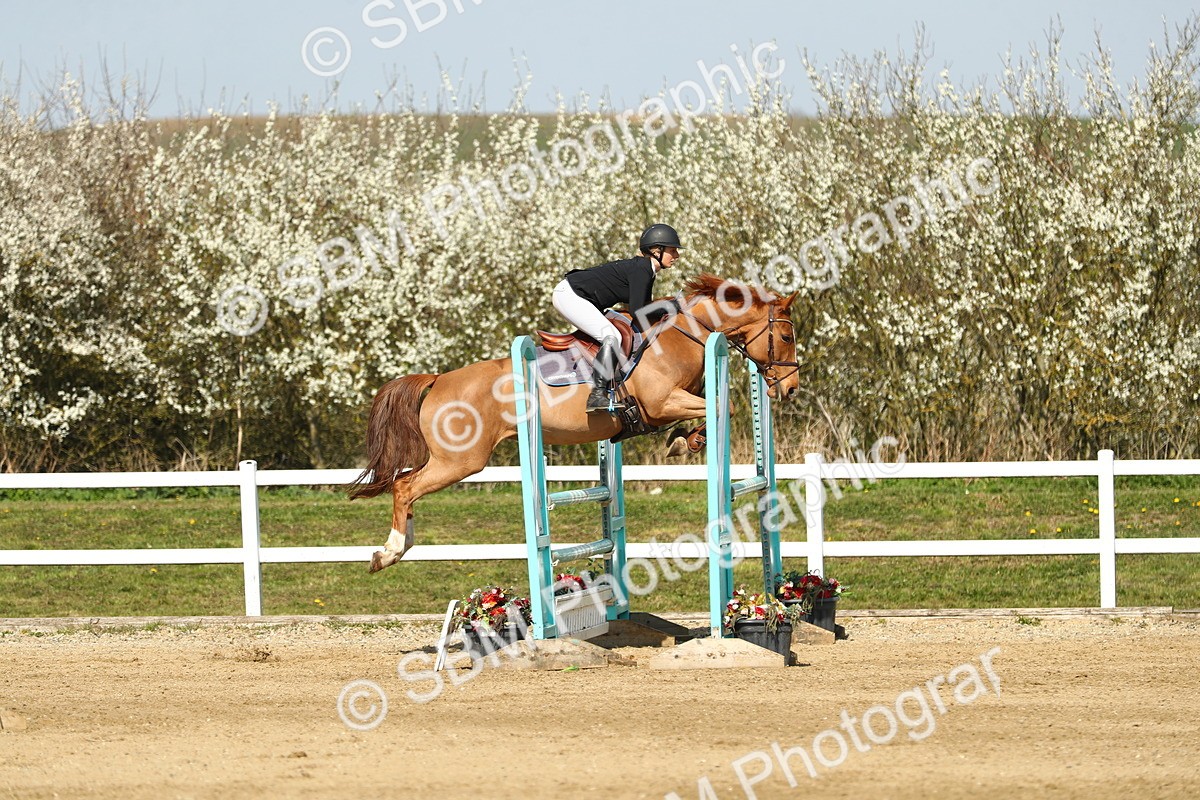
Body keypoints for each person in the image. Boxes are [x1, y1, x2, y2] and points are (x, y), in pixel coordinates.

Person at [552, 223, 683, 413]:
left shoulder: (646, 270)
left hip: (579, 296)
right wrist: (667, 306)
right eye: (673, 251)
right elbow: (639, 310)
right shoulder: (642, 269)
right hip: (569, 295)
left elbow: (642, 308)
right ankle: (596, 396)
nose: (677, 256)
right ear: (657, 251)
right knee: (612, 336)